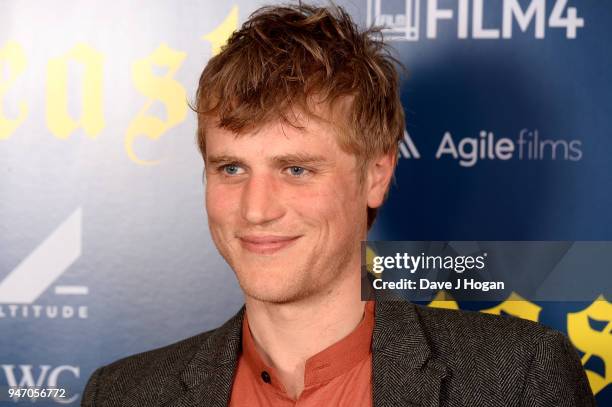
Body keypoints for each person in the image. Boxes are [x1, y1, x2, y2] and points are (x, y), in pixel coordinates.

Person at [82, 4, 595, 406]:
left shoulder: (516, 379)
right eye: (231, 168)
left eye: (296, 169)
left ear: (376, 175)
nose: (256, 209)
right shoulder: (121, 394)